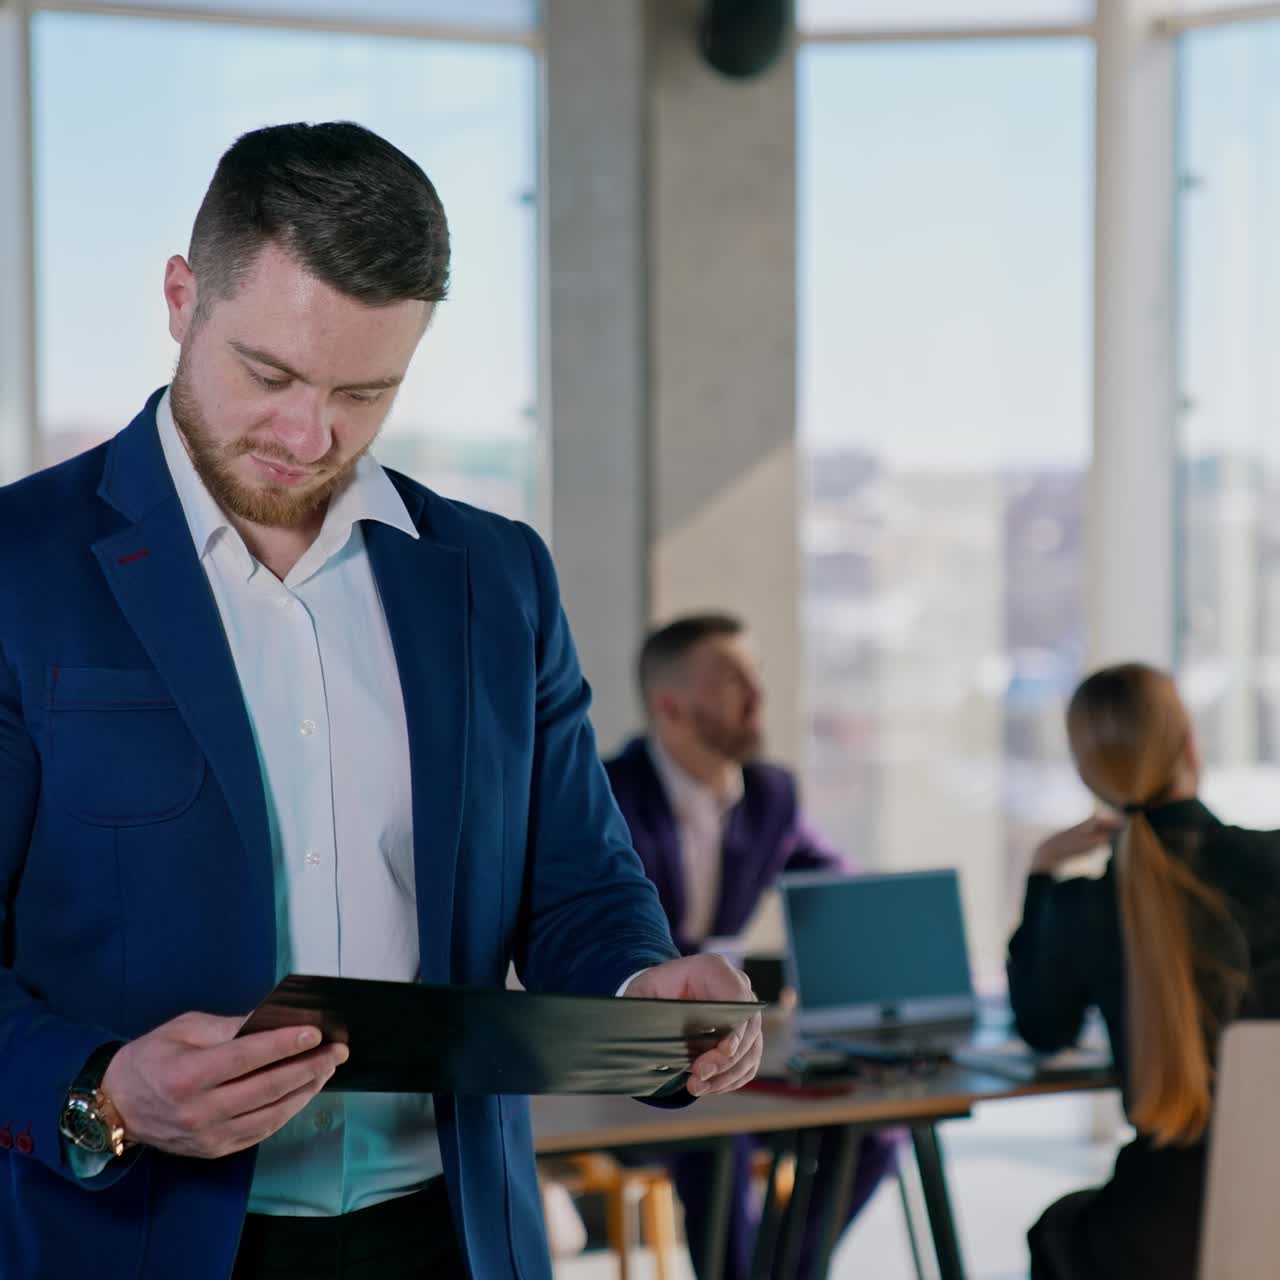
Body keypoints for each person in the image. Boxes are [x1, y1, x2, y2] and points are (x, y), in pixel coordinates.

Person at [0, 121, 762, 1280]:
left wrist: (638, 988)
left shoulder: (497, 581)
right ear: (178, 299)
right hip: (128, 1234)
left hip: (451, 1234)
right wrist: (96, 1089)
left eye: (366, 392)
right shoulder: (18, 565)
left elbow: (580, 888)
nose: (310, 436)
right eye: (270, 375)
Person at [604, 613, 895, 1280]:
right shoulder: (605, 796)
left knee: (875, 1129)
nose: (758, 696)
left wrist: (892, 943)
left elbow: (829, 885)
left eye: (755, 676)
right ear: (671, 705)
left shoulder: (770, 794)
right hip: (635, 1051)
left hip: (734, 1049)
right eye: (734, 681)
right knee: (719, 1143)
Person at [1009, 662, 1280, 1280]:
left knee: (1057, 1230)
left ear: (1089, 776)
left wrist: (1042, 872)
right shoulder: (1274, 860)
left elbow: (1043, 1028)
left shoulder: (1085, 907)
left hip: (1167, 1227)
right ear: (1191, 745)